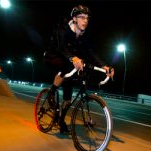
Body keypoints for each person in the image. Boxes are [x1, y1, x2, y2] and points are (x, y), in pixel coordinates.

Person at [44, 5, 114, 134]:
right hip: (53, 56)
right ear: (74, 18)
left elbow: (91, 53)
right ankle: (51, 93)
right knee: (66, 65)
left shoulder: (83, 35)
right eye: (82, 17)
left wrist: (104, 66)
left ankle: (61, 121)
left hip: (69, 60)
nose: (85, 21)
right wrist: (73, 58)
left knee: (68, 98)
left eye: (87, 18)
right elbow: (62, 46)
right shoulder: (63, 28)